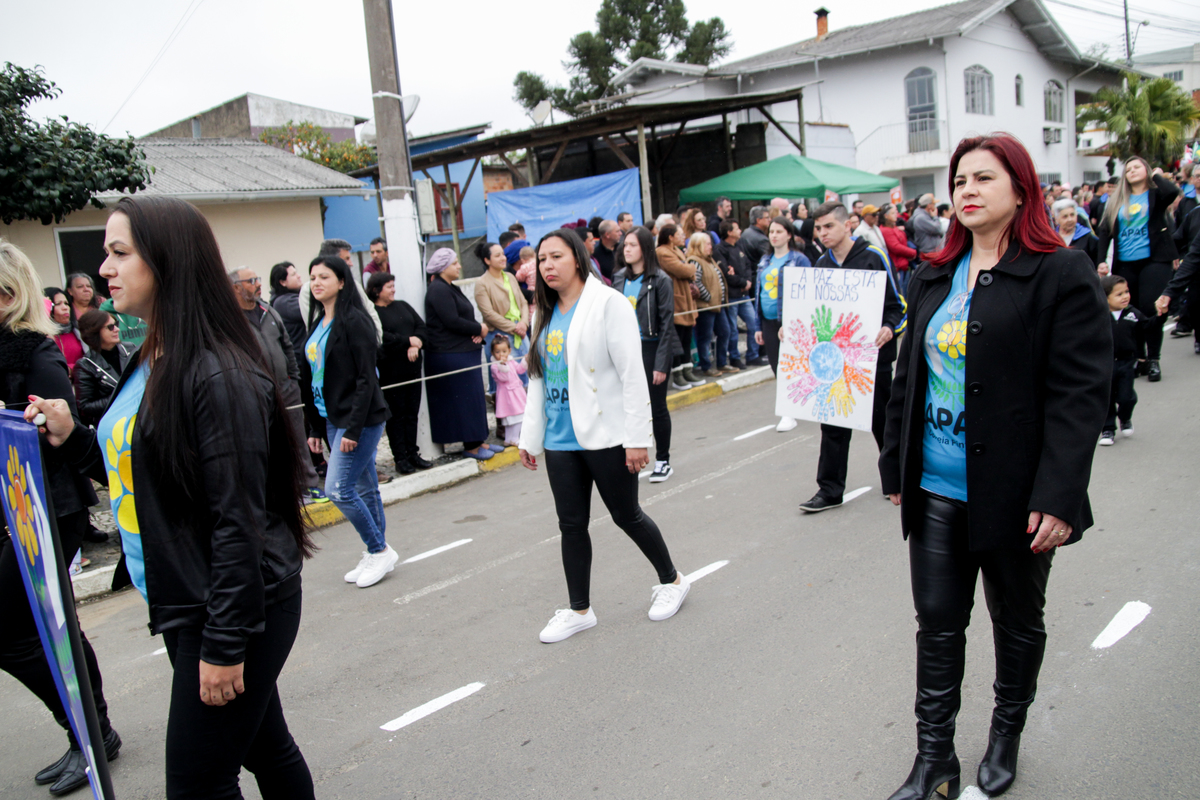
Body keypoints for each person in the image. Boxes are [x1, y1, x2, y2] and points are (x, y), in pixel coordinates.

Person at [28, 196, 318, 799]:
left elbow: (237, 521)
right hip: (189, 596)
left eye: (119, 252)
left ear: (168, 260)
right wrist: (73, 436)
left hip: (234, 605)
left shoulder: (217, 372)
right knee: (265, 749)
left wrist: (224, 643)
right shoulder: (153, 355)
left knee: (197, 786)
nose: (104, 268)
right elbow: (146, 478)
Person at [878, 134, 1110, 800]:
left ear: (1020, 187)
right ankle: (934, 761)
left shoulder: (1060, 272)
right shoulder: (931, 273)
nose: (968, 191)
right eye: (959, 181)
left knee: (1016, 622)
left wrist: (1059, 495)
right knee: (937, 625)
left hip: (1017, 494)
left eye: (984, 177)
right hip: (936, 489)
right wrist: (895, 465)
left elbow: (1079, 395)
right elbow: (907, 378)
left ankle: (1005, 736)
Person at [518, 230, 690, 643]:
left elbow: (632, 375)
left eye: (556, 256)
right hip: (560, 439)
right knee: (571, 525)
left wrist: (637, 438)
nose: (547, 266)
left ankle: (673, 580)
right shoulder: (543, 312)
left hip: (606, 435)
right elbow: (539, 379)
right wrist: (529, 437)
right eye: (542, 259)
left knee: (626, 515)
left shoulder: (608, 303)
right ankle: (579, 609)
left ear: (578, 259)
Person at [1, 240, 121, 797]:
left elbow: (60, 433)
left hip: (47, 507)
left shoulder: (37, 351)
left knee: (30, 630)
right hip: (11, 510)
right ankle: (88, 731)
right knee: (41, 626)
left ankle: (91, 732)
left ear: (9, 293)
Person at [799, 202, 905, 513]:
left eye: (829, 226)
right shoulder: (821, 264)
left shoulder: (873, 256)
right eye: (819, 228)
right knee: (832, 424)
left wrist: (889, 328)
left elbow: (898, 306)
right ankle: (829, 490)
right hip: (835, 361)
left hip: (873, 358)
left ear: (848, 225)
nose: (822, 233)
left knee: (883, 421)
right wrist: (791, 329)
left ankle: (898, 480)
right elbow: (812, 313)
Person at [302, 255, 397, 587]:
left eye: (324, 277)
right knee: (366, 487)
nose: (316, 282)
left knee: (338, 489)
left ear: (342, 282)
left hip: (360, 419)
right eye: (313, 277)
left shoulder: (355, 321)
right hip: (330, 418)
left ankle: (379, 549)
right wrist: (315, 427)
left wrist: (353, 429)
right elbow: (311, 377)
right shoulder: (318, 323)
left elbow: (366, 379)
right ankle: (376, 552)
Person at [231, 267, 328, 504]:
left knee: (297, 438)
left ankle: (309, 485)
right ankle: (280, 491)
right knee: (267, 442)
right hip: (255, 393)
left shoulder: (269, 311)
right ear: (236, 287)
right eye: (252, 280)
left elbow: (287, 346)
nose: (258, 284)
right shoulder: (230, 319)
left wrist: (293, 378)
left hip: (286, 388)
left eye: (258, 279)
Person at [1096, 156, 1179, 382]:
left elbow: (1172, 192)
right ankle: (1139, 357)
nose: (1131, 171)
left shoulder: (1156, 194)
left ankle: (1153, 359)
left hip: (1155, 260)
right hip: (1125, 262)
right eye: (1128, 169)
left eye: (1137, 167)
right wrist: (1101, 260)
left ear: (1147, 170)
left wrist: (1156, 176)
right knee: (1130, 309)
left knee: (1151, 308)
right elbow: (1104, 230)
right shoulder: (1117, 199)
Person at [611, 226, 679, 483]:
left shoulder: (660, 280)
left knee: (656, 407)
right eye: (625, 245)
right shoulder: (619, 278)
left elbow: (666, 325)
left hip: (650, 347)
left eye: (632, 245)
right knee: (626, 405)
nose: (626, 249)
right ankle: (631, 458)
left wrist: (661, 364)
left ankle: (663, 460)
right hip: (624, 350)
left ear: (645, 248)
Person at [423, 248, 496, 461]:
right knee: (465, 402)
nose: (459, 266)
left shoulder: (449, 287)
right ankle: (471, 446)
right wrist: (479, 328)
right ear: (443, 267)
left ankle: (479, 440)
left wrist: (476, 332)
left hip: (461, 351)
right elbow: (451, 320)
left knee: (474, 400)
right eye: (455, 263)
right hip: (450, 354)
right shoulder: (438, 289)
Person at [367, 272, 433, 475]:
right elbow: (381, 337)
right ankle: (400, 458)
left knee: (412, 413)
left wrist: (416, 343)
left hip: (412, 369)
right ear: (376, 290)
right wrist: (407, 341)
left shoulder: (402, 305)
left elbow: (421, 327)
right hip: (391, 372)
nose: (393, 290)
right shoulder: (372, 312)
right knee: (396, 416)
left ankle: (413, 453)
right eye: (389, 287)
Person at [752, 217, 812, 432]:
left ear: (789, 234)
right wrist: (757, 326)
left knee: (791, 365)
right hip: (767, 321)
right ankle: (792, 405)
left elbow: (807, 292)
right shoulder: (765, 260)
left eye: (779, 231)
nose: (774, 235)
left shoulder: (799, 260)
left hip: (789, 322)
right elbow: (759, 293)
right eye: (771, 232)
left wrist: (793, 321)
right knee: (776, 365)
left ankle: (789, 411)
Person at [1100, 275, 1155, 446]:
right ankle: (1108, 429)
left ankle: (1125, 418)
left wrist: (1161, 315)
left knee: (1126, 397)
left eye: (1126, 292)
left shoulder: (1132, 313)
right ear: (1105, 298)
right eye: (1119, 294)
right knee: (1106, 398)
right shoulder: (1098, 316)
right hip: (1105, 364)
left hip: (1126, 362)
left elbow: (1148, 327)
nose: (1125, 296)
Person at [474, 240, 531, 398]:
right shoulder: (482, 284)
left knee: (527, 374)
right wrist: (515, 327)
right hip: (501, 335)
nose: (503, 258)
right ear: (487, 260)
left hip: (520, 331)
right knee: (507, 382)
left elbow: (523, 302)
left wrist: (524, 323)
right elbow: (488, 314)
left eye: (503, 254)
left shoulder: (510, 277)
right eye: (497, 255)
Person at [656, 224, 705, 389]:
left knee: (686, 338)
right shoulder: (662, 252)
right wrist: (691, 269)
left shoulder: (676, 250)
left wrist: (689, 269)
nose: (683, 236)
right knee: (676, 340)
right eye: (680, 234)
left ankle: (687, 370)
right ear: (670, 237)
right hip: (675, 301)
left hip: (685, 300)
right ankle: (677, 374)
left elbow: (687, 270)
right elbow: (682, 270)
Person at [74, 308, 137, 427]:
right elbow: (85, 406)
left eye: (116, 324)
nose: (117, 329)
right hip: (113, 424)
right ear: (95, 331)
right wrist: (121, 397)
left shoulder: (130, 348)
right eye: (110, 327)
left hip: (139, 417)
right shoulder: (86, 365)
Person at [686, 232, 736, 377]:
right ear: (699, 245)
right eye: (707, 244)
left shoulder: (709, 260)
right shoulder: (695, 261)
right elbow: (696, 282)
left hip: (717, 305)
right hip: (706, 306)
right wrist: (708, 297)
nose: (710, 246)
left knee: (725, 332)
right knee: (705, 337)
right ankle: (706, 366)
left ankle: (721, 362)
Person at [716, 219, 764, 368]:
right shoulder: (720, 250)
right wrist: (742, 283)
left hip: (744, 295)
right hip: (732, 296)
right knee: (733, 329)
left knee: (753, 324)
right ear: (729, 232)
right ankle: (734, 357)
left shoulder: (739, 246)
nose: (740, 231)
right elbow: (726, 273)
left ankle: (752, 355)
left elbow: (748, 265)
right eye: (737, 229)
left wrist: (748, 281)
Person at [489, 334, 527, 447]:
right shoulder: (495, 366)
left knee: (518, 416)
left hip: (516, 393)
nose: (501, 354)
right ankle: (513, 438)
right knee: (514, 417)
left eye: (504, 351)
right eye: (497, 352)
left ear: (509, 351)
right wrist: (503, 364)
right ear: (492, 353)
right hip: (507, 396)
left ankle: (509, 438)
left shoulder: (511, 361)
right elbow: (504, 378)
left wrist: (525, 360)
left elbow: (520, 370)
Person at [269, 261, 307, 367]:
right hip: (300, 361)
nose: (299, 276)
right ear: (283, 282)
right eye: (293, 274)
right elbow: (312, 310)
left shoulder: (285, 298)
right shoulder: (285, 302)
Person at [44, 287, 87, 374]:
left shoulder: (78, 332)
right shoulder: (42, 336)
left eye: (66, 303)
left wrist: (71, 369)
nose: (65, 308)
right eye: (58, 304)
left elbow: (90, 362)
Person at [881, 203, 918, 296]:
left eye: (896, 212)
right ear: (886, 216)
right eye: (893, 213)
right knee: (901, 293)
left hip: (903, 264)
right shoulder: (886, 230)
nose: (896, 215)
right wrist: (912, 252)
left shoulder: (893, 227)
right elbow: (896, 247)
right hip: (897, 266)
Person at [1052, 199, 1100, 267]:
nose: (1070, 219)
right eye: (1065, 216)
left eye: (1072, 215)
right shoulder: (1052, 238)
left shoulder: (1087, 237)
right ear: (1057, 219)